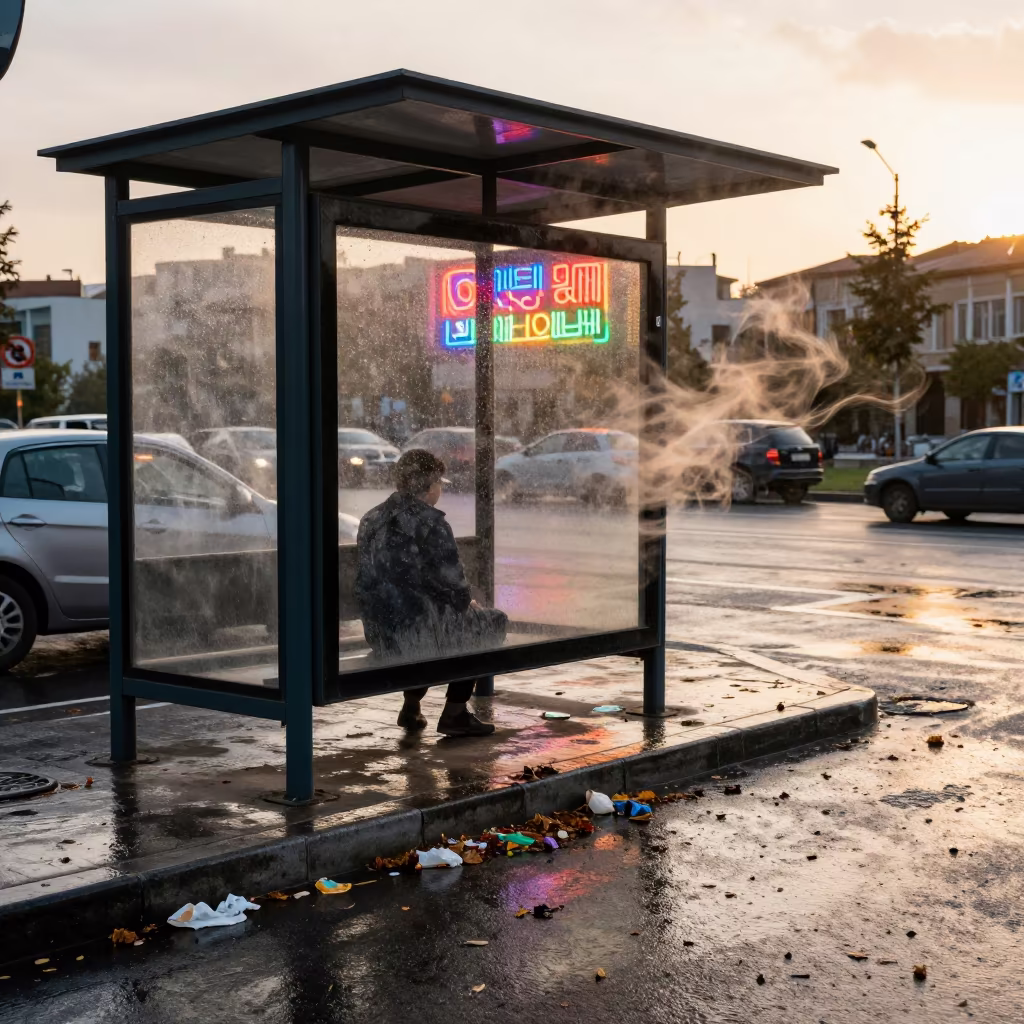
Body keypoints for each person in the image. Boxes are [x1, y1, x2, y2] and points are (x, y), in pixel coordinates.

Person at [355, 449, 508, 737]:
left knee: (426, 621)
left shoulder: (371, 518)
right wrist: (467, 602)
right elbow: (456, 589)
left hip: (380, 632)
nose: (441, 489)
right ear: (429, 485)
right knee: (489, 623)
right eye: (439, 482)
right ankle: (455, 713)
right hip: (413, 637)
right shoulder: (432, 524)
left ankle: (412, 706)